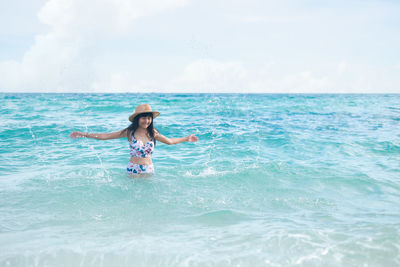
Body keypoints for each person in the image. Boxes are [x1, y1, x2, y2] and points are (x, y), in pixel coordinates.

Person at [70, 104, 198, 177]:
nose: (146, 121)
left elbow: (170, 141)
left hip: (148, 169)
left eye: (149, 118)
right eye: (143, 118)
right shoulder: (129, 132)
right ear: (137, 119)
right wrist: (84, 134)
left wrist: (186, 138)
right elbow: (106, 136)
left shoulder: (153, 133)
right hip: (132, 169)